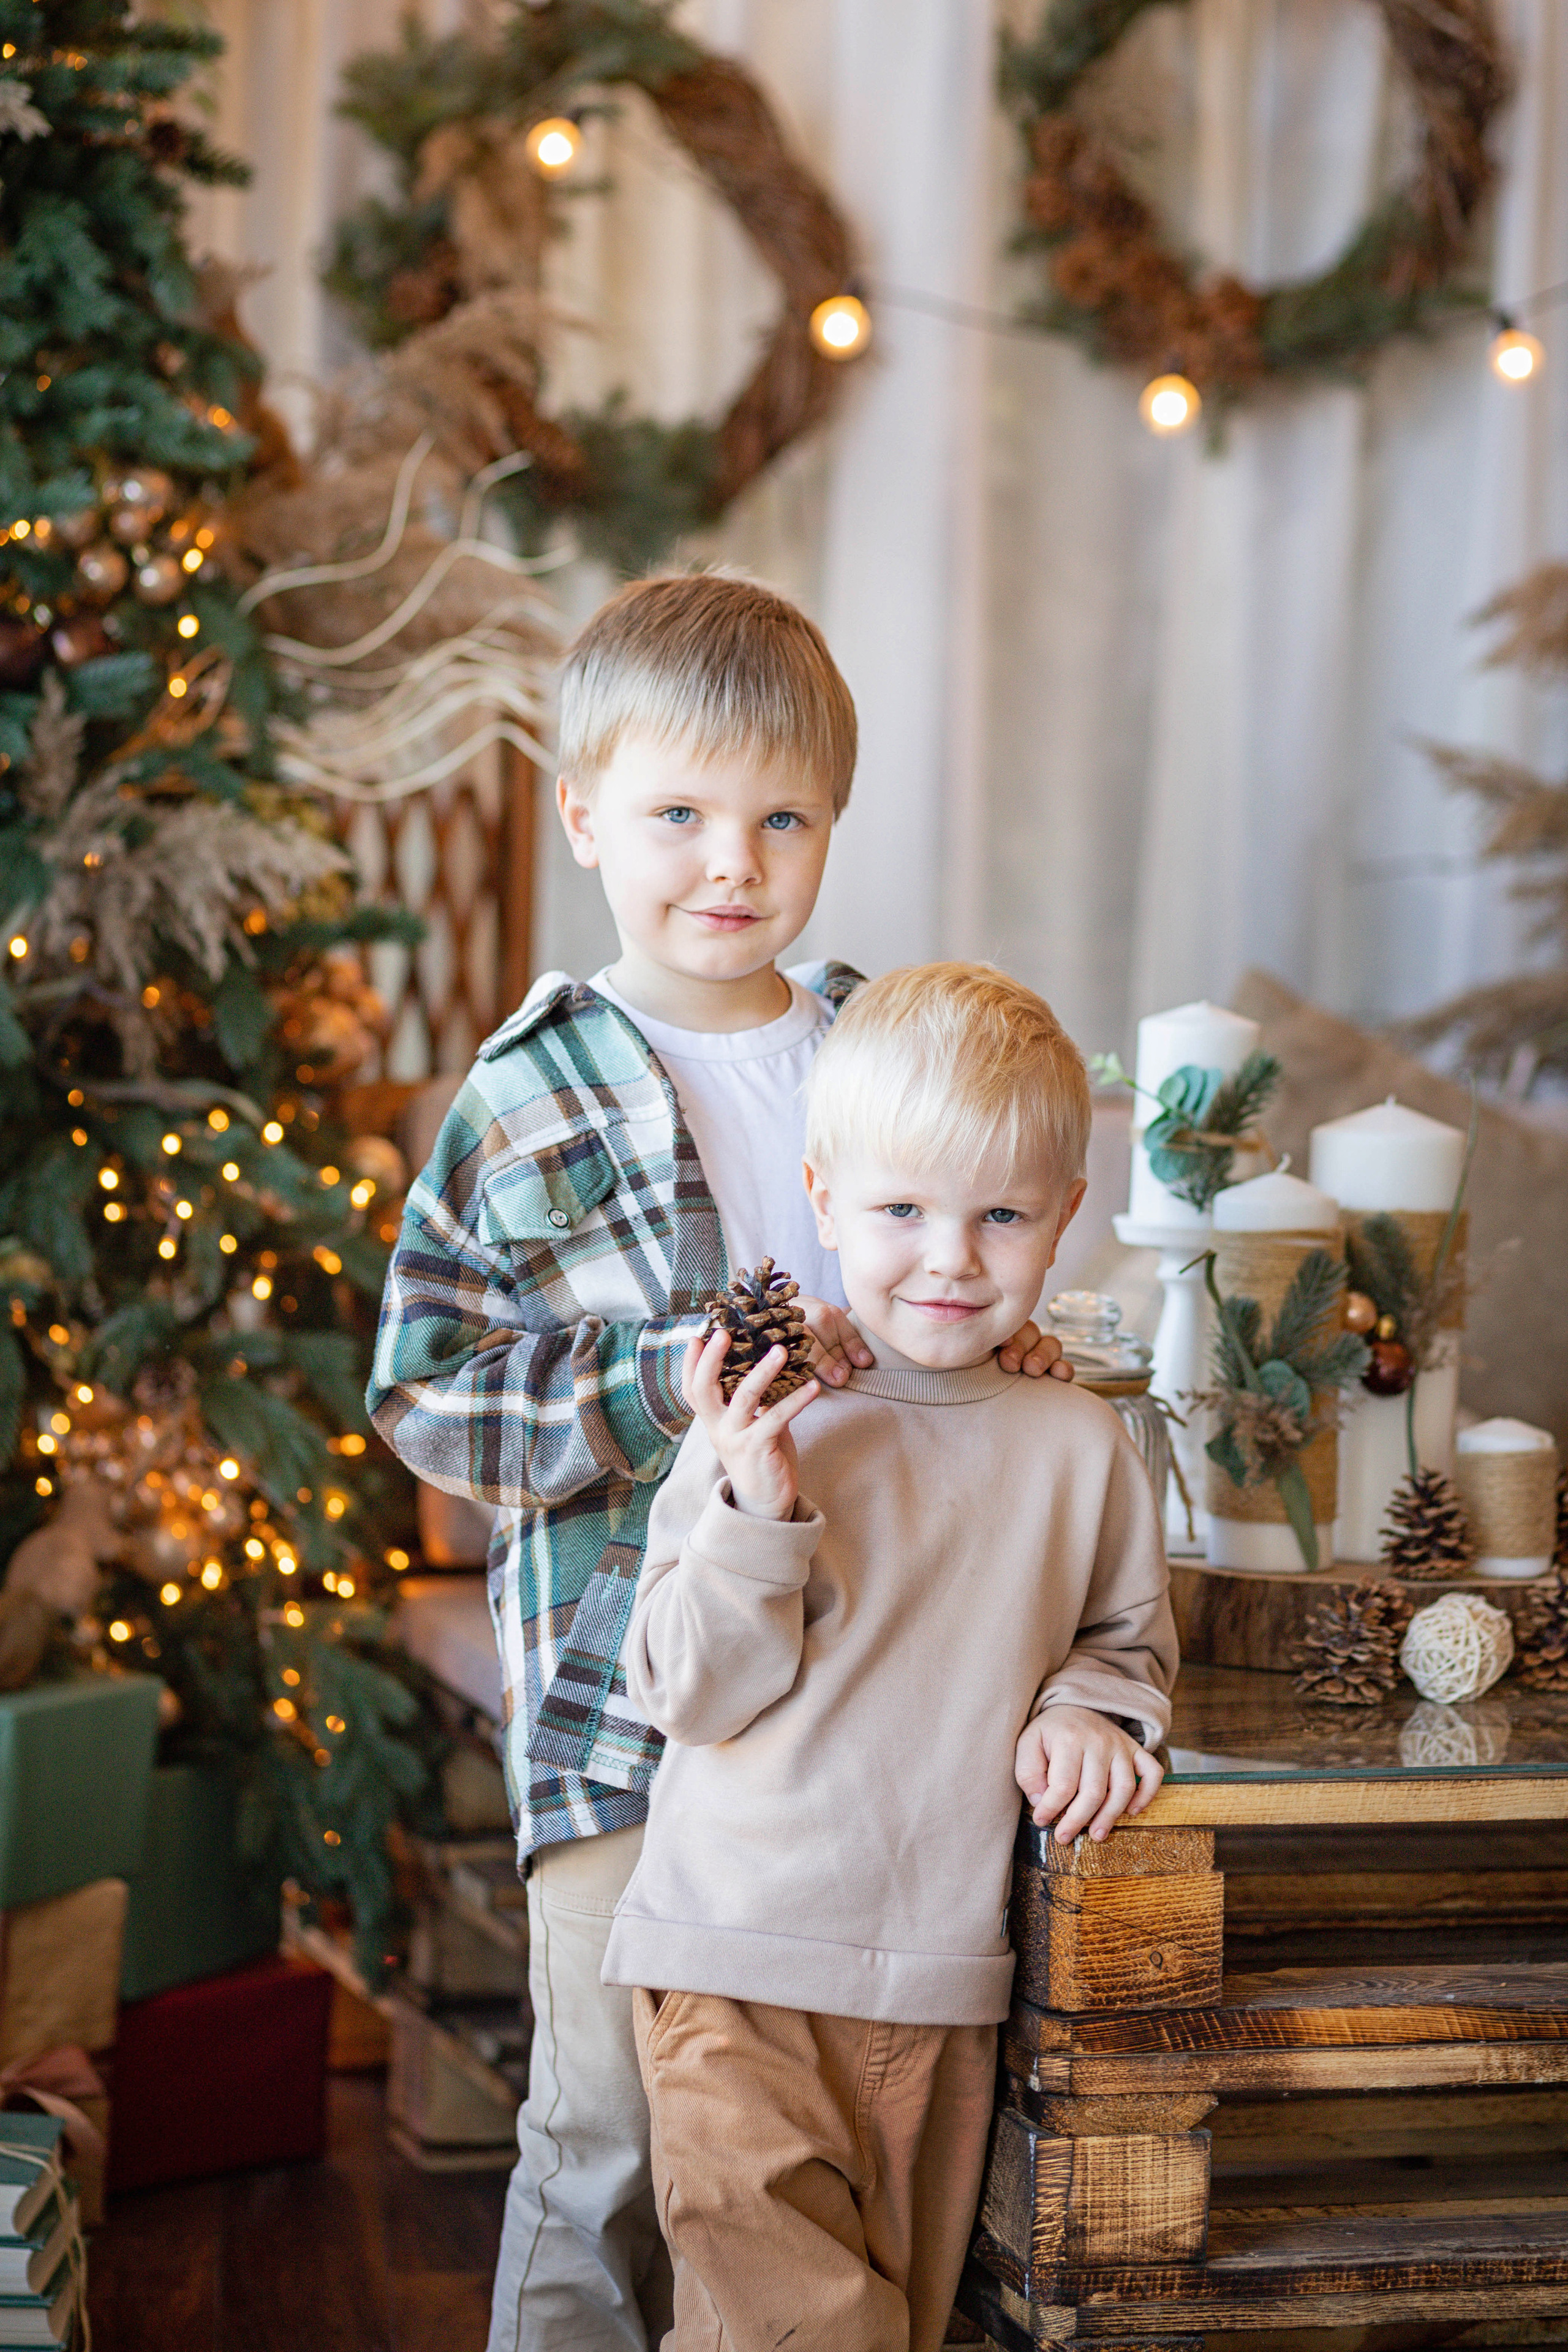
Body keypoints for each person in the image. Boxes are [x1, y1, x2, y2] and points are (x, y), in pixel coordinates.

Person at [367, 577, 1072, 2352]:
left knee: (795, 2162)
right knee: (610, 2140)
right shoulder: (530, 1093)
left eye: (783, 819)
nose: (730, 864)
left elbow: (950, 1274)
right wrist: (652, 1379)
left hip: (867, 1720)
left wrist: (1001, 1345)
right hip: (631, 1719)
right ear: (584, 814)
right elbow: (426, 1394)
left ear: (833, 824)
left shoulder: (877, 1047)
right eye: (678, 813)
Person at [604, 961, 1178, 2352]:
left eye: (1000, 1216)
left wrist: (1091, 1711)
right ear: (822, 1201)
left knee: (898, 2326)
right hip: (736, 1960)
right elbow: (681, 1689)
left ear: (1064, 1219)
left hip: (940, 1985)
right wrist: (755, 1508)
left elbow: (1122, 1642)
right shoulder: (772, 1413)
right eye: (902, 1211)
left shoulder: (1078, 1443)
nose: (950, 1259)